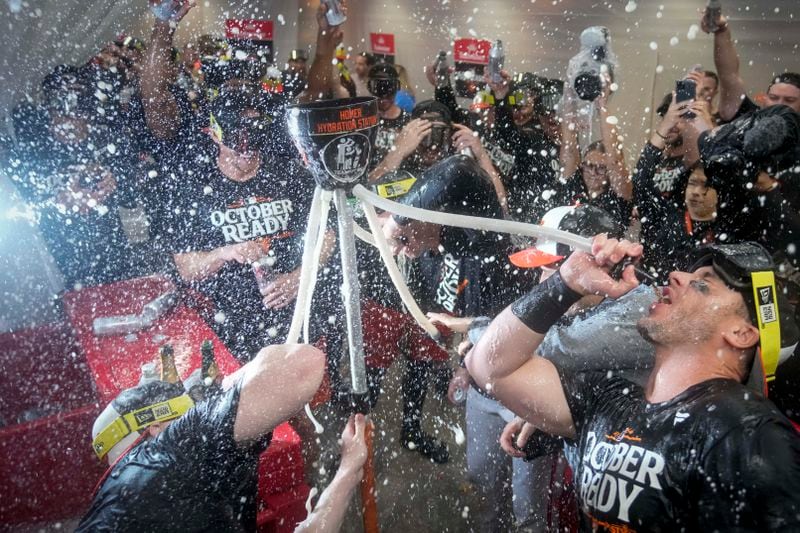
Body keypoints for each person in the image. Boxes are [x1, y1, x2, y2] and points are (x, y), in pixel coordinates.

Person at [467, 236, 800, 531]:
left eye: (703, 285)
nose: (675, 276)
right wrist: (565, 283)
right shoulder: (612, 400)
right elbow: (491, 366)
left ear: (741, 334)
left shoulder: (748, 435)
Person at [382, 154, 535, 528]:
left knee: (528, 508)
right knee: (483, 489)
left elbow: (459, 169)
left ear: (427, 213)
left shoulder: (482, 237)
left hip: (525, 384)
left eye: (402, 238)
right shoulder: (433, 255)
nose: (401, 249)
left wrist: (464, 327)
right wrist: (463, 365)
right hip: (482, 386)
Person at [77, 343, 368, 532]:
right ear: (153, 428)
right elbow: (300, 365)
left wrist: (347, 470)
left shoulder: (119, 493)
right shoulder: (161, 461)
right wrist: (217, 397)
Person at [554, 77, 632, 228]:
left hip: (603, 251)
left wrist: (602, 104)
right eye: (588, 165)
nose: (593, 172)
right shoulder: (575, 186)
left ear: (609, 171)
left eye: (601, 168)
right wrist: (570, 98)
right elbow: (569, 148)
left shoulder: (618, 196)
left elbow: (615, 160)